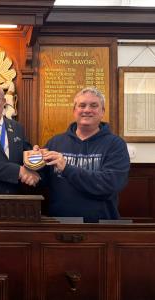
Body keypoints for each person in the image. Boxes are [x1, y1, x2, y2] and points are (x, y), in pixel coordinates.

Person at [37, 87, 130, 222]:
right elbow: (41, 181)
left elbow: (109, 184)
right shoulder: (55, 142)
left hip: (101, 226)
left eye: (94, 105)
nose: (87, 110)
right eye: (82, 105)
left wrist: (67, 168)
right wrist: (32, 165)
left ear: (102, 111)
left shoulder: (115, 144)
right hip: (59, 223)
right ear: (74, 111)